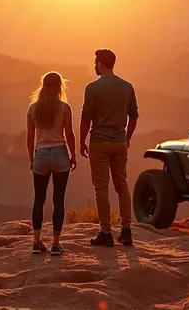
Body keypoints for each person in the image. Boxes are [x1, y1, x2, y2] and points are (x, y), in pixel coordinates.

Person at [80, 49, 138, 247]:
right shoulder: (127, 86)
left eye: (95, 62)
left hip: (99, 143)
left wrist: (81, 141)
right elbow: (134, 116)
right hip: (119, 142)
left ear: (101, 64)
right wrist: (127, 138)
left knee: (101, 187)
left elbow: (86, 117)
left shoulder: (92, 88)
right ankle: (127, 231)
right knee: (121, 184)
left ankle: (106, 233)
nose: (94, 65)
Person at [27, 71, 77, 255]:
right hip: (59, 154)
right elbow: (69, 134)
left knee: (39, 199)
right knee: (58, 200)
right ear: (59, 87)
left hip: (40, 154)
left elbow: (30, 136)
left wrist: (32, 158)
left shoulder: (33, 108)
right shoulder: (64, 108)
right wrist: (73, 156)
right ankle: (56, 244)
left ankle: (36, 242)